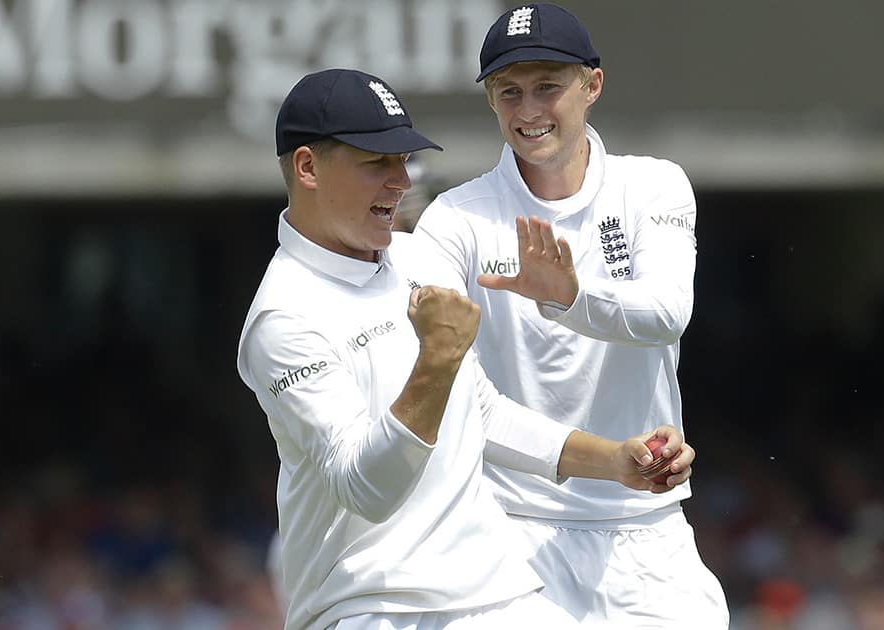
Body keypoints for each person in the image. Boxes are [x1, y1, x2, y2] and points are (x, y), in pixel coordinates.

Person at [236, 67, 696, 630]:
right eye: (376, 163)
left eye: (403, 160)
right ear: (308, 167)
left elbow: (481, 411)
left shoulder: (413, 259)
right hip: (372, 606)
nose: (401, 182)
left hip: (494, 592)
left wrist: (613, 461)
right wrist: (435, 359)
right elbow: (365, 487)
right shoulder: (282, 317)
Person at [410, 4, 730, 627]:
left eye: (548, 87)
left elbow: (667, 313)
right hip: (509, 533)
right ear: (491, 103)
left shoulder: (654, 186)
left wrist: (569, 299)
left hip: (647, 525)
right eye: (510, 92)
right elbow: (456, 398)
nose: (528, 111)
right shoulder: (453, 219)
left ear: (593, 85)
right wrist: (605, 455)